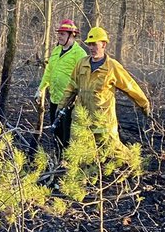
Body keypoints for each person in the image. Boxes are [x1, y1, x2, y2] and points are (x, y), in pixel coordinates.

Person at [58, 25, 150, 156]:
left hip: (103, 118)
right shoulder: (81, 64)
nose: (91, 48)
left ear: (104, 45)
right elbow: (71, 87)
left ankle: (133, 164)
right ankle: (83, 174)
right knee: (78, 150)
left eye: (94, 44)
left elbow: (130, 87)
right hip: (81, 117)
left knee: (112, 149)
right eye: (89, 44)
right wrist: (61, 107)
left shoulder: (112, 66)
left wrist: (144, 104)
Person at [36, 18, 86, 148]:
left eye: (62, 34)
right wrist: (41, 89)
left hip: (70, 102)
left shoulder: (80, 54)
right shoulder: (56, 51)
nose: (59, 36)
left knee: (67, 136)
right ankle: (58, 159)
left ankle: (66, 163)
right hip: (54, 99)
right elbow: (49, 72)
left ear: (72, 35)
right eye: (59, 33)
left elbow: (83, 78)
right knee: (56, 132)